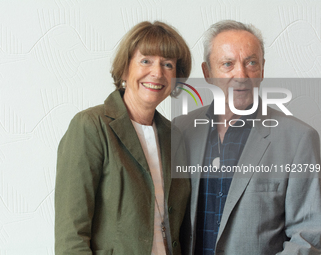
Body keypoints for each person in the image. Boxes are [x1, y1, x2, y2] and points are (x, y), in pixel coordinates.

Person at [173, 20, 321, 255]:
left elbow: (309, 236)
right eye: (227, 64)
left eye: (251, 63)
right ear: (207, 73)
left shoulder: (299, 139)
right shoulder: (179, 131)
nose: (241, 74)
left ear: (262, 70)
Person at [55, 21, 191, 255]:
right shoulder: (91, 126)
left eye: (167, 64)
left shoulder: (175, 136)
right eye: (146, 60)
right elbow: (71, 237)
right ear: (125, 68)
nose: (157, 73)